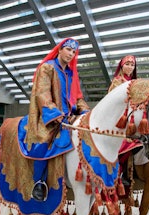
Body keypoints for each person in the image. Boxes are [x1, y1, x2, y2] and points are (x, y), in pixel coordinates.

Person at [21, 37, 90, 201]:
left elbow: (78, 98)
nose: (71, 54)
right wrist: (56, 116)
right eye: (68, 50)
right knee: (44, 140)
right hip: (51, 117)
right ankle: (39, 182)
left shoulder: (71, 73)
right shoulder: (47, 68)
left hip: (71, 117)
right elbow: (42, 94)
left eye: (74, 52)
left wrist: (86, 112)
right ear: (59, 49)